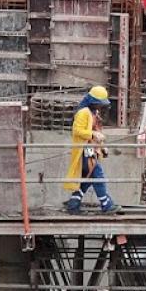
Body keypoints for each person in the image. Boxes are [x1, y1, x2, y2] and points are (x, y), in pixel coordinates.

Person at [63, 86, 119, 214]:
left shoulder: (93, 113)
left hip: (91, 149)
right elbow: (77, 131)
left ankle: (74, 203)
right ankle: (106, 204)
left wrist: (102, 146)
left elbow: (97, 131)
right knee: (97, 175)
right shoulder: (83, 113)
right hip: (84, 151)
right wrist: (92, 134)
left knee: (87, 178)